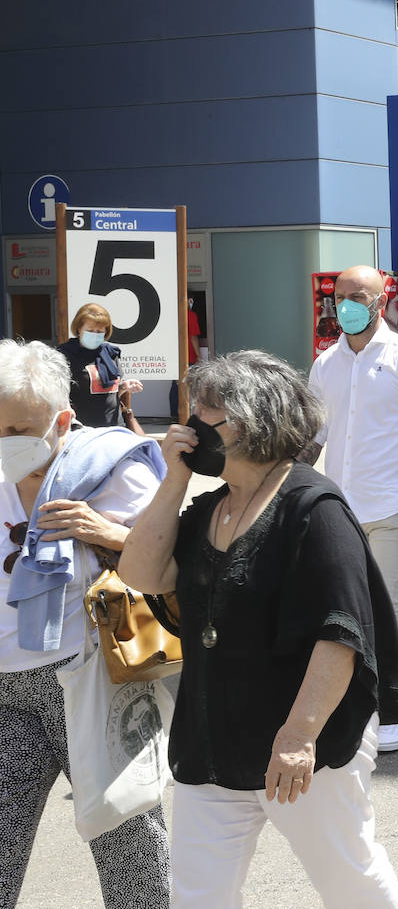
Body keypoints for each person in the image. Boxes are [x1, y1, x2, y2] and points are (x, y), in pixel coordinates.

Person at [119, 350, 398, 906]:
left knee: (351, 883)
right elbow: (140, 571)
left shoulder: (313, 507)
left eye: (204, 413)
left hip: (299, 746)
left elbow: (340, 631)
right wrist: (172, 480)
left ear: (250, 421)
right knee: (198, 896)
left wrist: (299, 736)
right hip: (211, 741)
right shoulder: (211, 508)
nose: (188, 427)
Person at [0, 339, 170, 908]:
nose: (5, 443)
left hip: (92, 677)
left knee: (130, 844)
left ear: (62, 420)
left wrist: (105, 531)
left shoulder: (112, 468)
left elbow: (171, 564)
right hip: (6, 687)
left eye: (18, 429)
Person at [302, 265, 398, 753]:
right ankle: (349, 700)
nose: (345, 303)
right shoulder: (326, 365)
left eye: (357, 295)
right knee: (339, 609)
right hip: (339, 509)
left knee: (387, 606)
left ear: (381, 298)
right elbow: (313, 437)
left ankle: (393, 705)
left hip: (393, 506)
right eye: (339, 295)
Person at [55, 302, 145, 433]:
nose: (95, 334)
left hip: (115, 428)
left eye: (100, 331)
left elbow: (111, 395)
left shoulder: (110, 353)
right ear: (79, 329)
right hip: (82, 431)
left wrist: (124, 387)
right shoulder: (64, 354)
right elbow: (57, 394)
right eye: (90, 330)